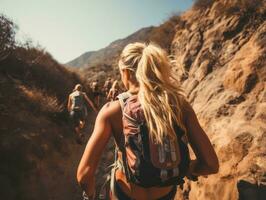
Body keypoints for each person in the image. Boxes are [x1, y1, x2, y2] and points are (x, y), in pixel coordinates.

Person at [77, 43, 219, 199]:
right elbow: (210, 164)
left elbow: (84, 175)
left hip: (125, 194)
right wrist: (188, 168)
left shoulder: (112, 110)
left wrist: (89, 196)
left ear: (125, 72)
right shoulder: (179, 105)